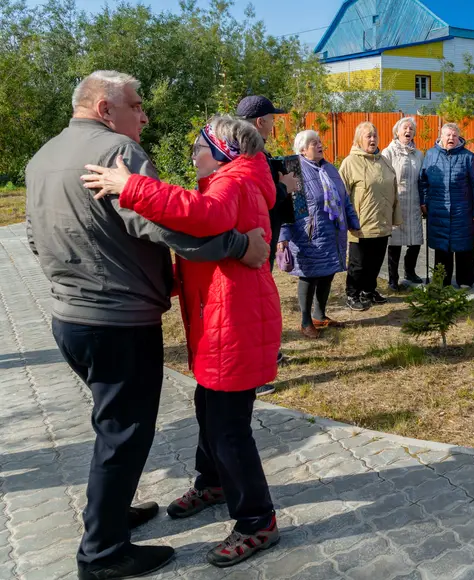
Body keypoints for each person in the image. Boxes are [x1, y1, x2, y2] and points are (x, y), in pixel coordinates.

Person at [25, 70, 268, 580]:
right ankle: (104, 553)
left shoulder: (42, 157)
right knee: (123, 435)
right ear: (104, 108)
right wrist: (242, 246)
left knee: (111, 425)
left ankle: (112, 515)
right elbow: (172, 227)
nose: (145, 115)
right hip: (120, 320)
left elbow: (32, 238)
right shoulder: (118, 155)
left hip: (68, 319)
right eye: (136, 105)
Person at [81, 115, 283, 568]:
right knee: (208, 410)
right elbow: (204, 238)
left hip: (235, 325)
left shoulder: (231, 182)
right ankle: (213, 483)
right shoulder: (234, 179)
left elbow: (200, 215)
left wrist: (130, 186)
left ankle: (257, 521)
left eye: (200, 146)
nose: (194, 154)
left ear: (224, 150)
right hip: (223, 322)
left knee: (229, 429)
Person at [236, 95, 297, 397]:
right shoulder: (247, 151)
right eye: (272, 119)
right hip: (251, 243)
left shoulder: (239, 147)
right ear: (261, 121)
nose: (274, 124)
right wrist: (286, 187)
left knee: (259, 303)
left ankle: (266, 356)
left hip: (256, 239)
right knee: (251, 306)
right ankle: (253, 374)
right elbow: (257, 196)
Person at [279, 130, 360, 337]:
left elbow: (344, 199)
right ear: (303, 150)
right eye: (313, 143)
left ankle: (319, 315)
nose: (319, 144)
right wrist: (283, 237)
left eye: (319, 141)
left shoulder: (330, 169)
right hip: (309, 235)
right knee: (309, 276)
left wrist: (353, 222)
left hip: (332, 233)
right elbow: (287, 208)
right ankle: (306, 321)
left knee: (327, 274)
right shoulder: (293, 171)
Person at [339, 122, 401, 311]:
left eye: (375, 135)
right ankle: (352, 293)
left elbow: (394, 191)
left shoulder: (383, 161)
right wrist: (346, 221)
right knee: (358, 264)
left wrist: (394, 218)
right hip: (360, 225)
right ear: (359, 139)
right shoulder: (350, 162)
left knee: (375, 261)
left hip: (382, 222)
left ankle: (368, 290)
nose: (373, 139)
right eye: (368, 136)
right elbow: (341, 195)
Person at [420, 123, 474, 288]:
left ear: (459, 137)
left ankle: (466, 280)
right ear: (441, 136)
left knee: (464, 245)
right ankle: (441, 280)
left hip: (463, 210)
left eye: (454, 135)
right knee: (442, 247)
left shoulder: (468, 157)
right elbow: (423, 180)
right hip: (438, 209)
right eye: (448, 135)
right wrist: (423, 201)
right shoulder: (431, 155)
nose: (451, 138)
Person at [381, 117, 425, 291]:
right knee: (395, 242)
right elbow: (384, 179)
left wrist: (423, 201)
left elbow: (422, 179)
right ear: (397, 132)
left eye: (411, 129)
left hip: (414, 202)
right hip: (396, 203)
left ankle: (410, 272)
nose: (408, 131)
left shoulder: (419, 154)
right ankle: (393, 278)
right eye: (405, 128)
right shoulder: (388, 152)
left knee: (415, 241)